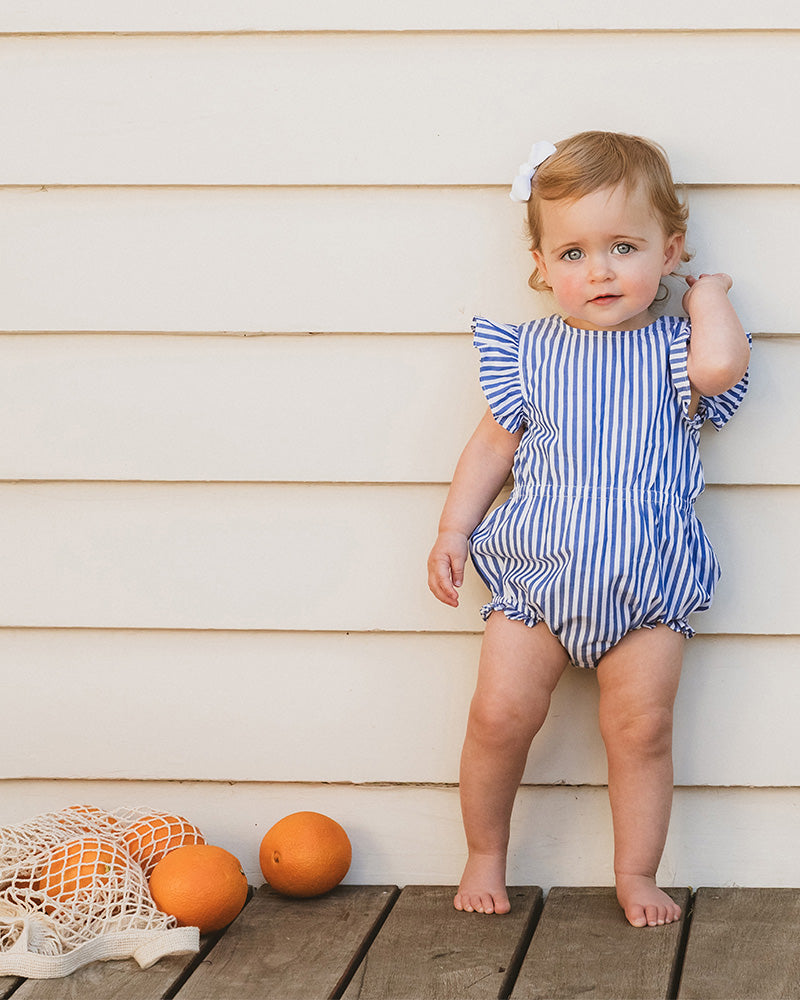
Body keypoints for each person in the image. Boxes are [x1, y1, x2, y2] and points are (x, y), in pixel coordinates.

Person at [427, 131, 751, 928]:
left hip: (645, 584)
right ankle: (484, 853)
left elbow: (721, 371)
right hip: (537, 577)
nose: (599, 271)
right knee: (497, 717)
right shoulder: (529, 353)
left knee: (642, 730)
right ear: (541, 266)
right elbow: (492, 448)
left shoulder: (677, 348)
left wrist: (707, 298)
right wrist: (453, 530)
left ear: (669, 250)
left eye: (624, 247)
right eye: (573, 253)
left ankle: (636, 874)